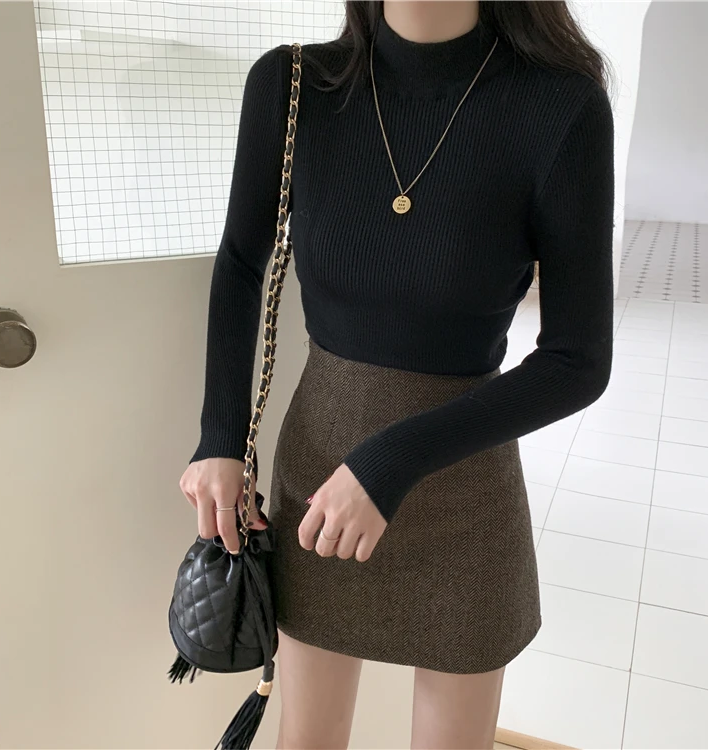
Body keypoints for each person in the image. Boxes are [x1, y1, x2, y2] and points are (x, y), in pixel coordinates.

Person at [179, 1, 614, 747]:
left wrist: (389, 462)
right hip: (319, 473)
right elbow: (243, 263)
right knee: (306, 739)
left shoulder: (559, 105)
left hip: (464, 488)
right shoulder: (292, 85)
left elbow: (578, 362)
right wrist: (220, 438)